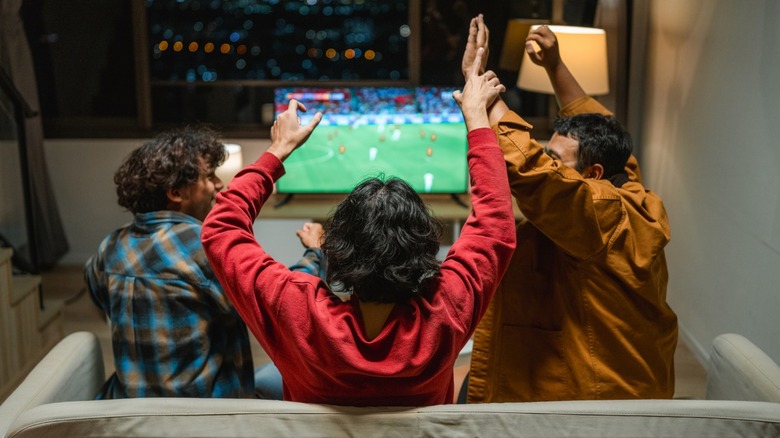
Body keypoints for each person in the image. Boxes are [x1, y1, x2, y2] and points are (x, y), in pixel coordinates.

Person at [201, 48, 516, 406]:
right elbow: (496, 226)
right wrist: (477, 120)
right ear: (427, 249)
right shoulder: (447, 309)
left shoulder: (296, 307)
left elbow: (220, 230)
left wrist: (278, 150)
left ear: (334, 248)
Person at [460, 16, 678, 403]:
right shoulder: (623, 181)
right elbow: (596, 119)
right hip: (632, 382)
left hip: (596, 399)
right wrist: (555, 66)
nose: (550, 161)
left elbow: (533, 172)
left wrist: (481, 100)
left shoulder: (599, 211)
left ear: (592, 173)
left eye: (557, 158)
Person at [84, 127, 323, 399]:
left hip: (131, 412)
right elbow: (281, 304)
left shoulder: (110, 245)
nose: (218, 185)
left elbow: (98, 301)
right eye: (209, 177)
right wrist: (315, 254)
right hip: (208, 415)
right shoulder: (204, 245)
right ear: (176, 192)